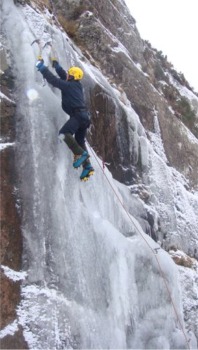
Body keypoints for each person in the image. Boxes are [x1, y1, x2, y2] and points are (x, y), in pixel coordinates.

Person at [35, 57, 94, 181]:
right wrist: (57, 65)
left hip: (78, 116)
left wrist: (42, 68)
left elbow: (54, 80)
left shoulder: (69, 86)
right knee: (79, 140)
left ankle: (80, 154)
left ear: (72, 76)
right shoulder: (76, 85)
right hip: (85, 118)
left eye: (69, 74)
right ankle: (87, 166)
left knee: (63, 133)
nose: (67, 75)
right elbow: (63, 76)